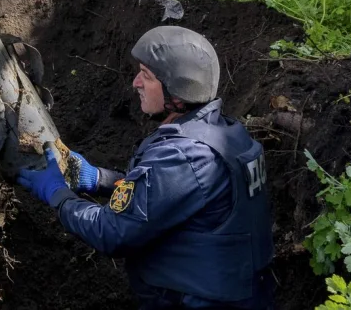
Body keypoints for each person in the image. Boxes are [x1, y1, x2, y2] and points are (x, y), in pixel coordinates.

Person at [16, 26, 275, 309]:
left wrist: (58, 195)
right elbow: (168, 201)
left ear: (178, 90)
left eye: (147, 76)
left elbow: (111, 232)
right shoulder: (225, 134)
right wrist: (99, 180)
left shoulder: (183, 156)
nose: (136, 83)